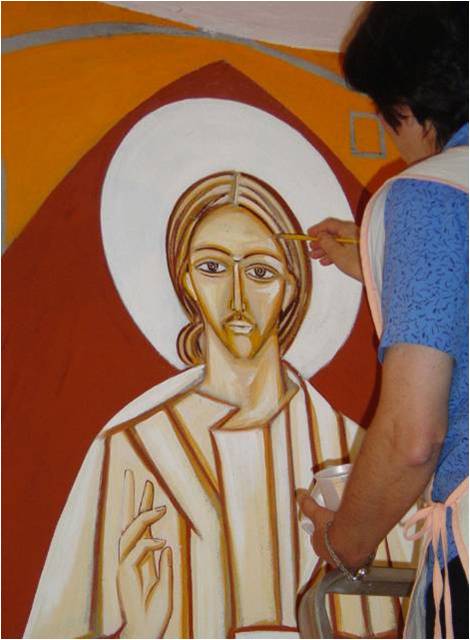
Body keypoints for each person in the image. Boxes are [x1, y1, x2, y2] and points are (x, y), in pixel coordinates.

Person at [25, 172, 412, 639]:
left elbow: (412, 612)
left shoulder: (355, 451)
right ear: (187, 280)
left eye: (260, 272)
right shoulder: (132, 452)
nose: (237, 298)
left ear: (290, 287)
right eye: (213, 267)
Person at [298, 3, 468, 639]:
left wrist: (344, 542)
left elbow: (412, 437)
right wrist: (378, 266)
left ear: (408, 108)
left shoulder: (429, 194)